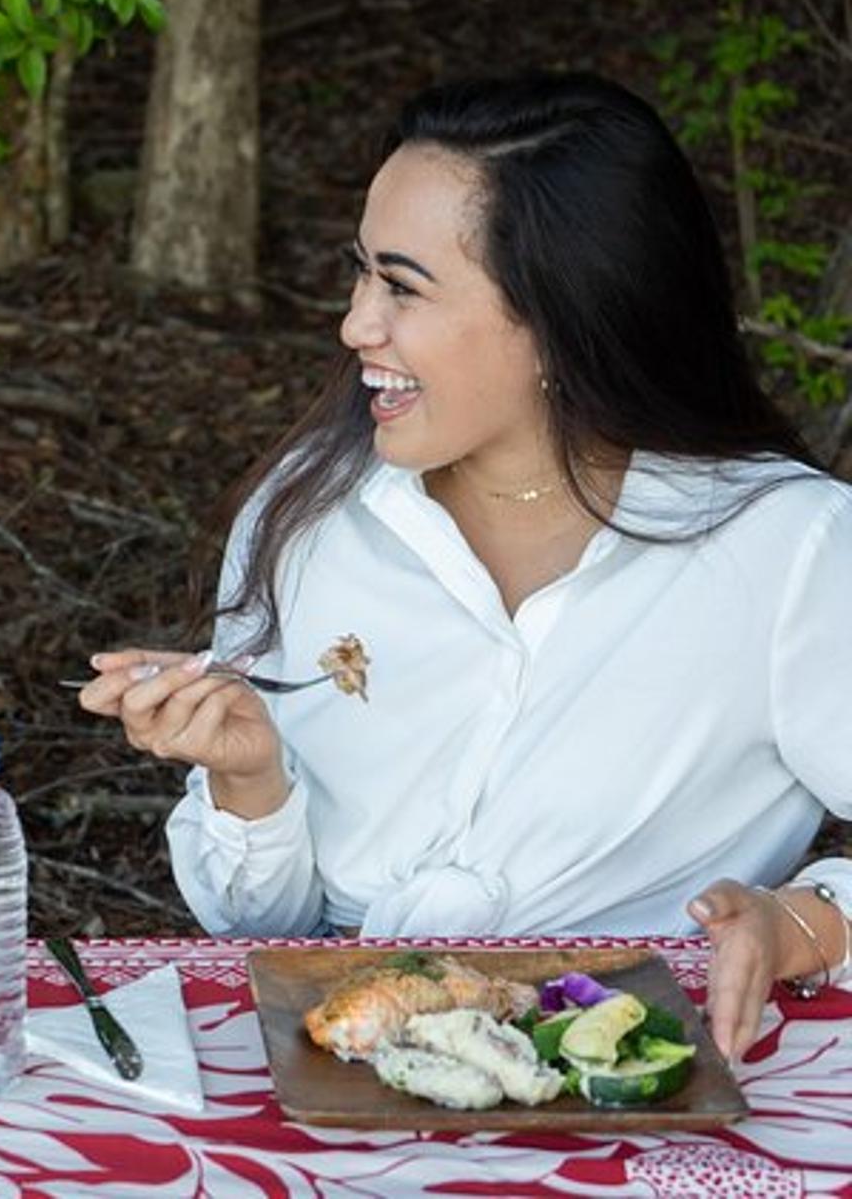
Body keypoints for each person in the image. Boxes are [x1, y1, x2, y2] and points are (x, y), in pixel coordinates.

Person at [79, 72, 852, 1059]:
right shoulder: (310, 516)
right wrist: (249, 781)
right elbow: (255, 929)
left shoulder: (782, 550)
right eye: (358, 275)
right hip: (336, 1075)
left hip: (640, 1084)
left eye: (400, 287)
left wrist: (800, 921)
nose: (355, 324)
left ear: (560, 319)